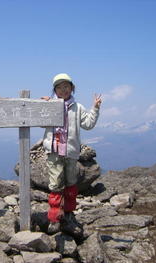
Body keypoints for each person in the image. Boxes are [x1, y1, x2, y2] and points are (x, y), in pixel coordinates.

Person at [42, 73, 102, 235]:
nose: (63, 90)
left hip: (71, 152)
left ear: (72, 88)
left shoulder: (78, 107)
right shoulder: (50, 104)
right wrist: (44, 106)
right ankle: (54, 218)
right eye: (60, 87)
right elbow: (41, 123)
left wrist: (95, 108)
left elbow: (88, 124)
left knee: (70, 184)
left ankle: (68, 214)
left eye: (66, 86)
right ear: (55, 89)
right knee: (55, 185)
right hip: (54, 151)